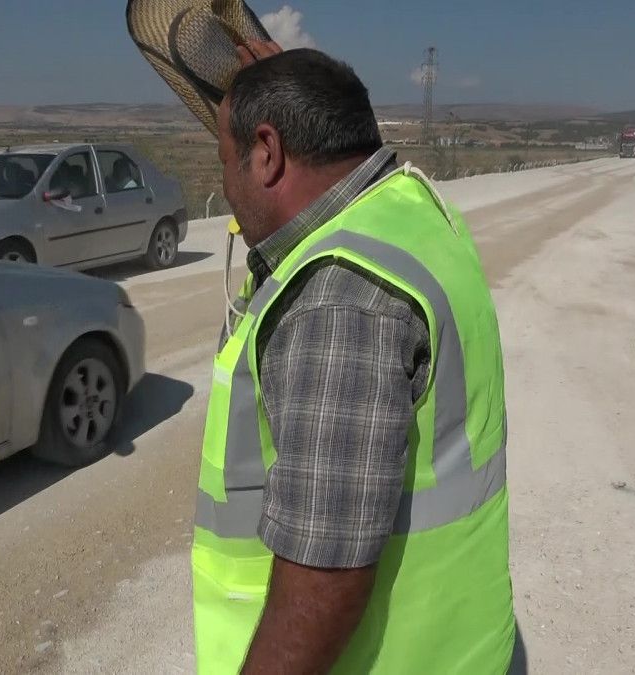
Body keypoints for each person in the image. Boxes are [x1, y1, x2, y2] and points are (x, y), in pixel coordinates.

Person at [192, 41, 522, 674]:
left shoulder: (336, 303)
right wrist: (297, 90)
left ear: (267, 152)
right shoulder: (411, 208)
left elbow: (324, 578)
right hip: (468, 649)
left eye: (226, 161)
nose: (225, 186)